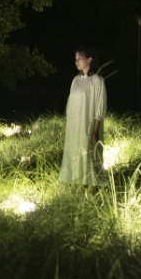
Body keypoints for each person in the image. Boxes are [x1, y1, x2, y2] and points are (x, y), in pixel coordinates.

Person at [60, 46, 107, 186]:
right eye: (75, 59)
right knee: (73, 150)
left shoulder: (97, 80)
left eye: (80, 58)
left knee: (88, 152)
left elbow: (100, 106)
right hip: (74, 124)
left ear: (89, 59)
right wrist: (67, 126)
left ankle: (91, 183)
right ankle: (75, 181)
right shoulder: (75, 80)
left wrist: (96, 130)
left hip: (88, 124)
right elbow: (70, 104)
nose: (77, 61)